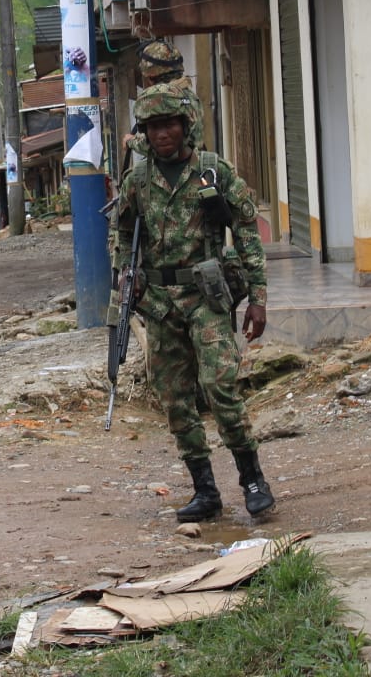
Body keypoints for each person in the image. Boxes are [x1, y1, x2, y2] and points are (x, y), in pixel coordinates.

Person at [112, 83, 272, 522]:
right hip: (160, 304)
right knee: (176, 399)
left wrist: (258, 299)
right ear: (144, 131)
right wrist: (125, 276)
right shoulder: (138, 180)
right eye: (154, 126)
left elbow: (246, 231)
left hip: (206, 297)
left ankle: (253, 479)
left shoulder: (212, 171)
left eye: (170, 123)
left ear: (186, 125)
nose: (163, 133)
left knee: (220, 387)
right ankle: (205, 490)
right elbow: (123, 233)